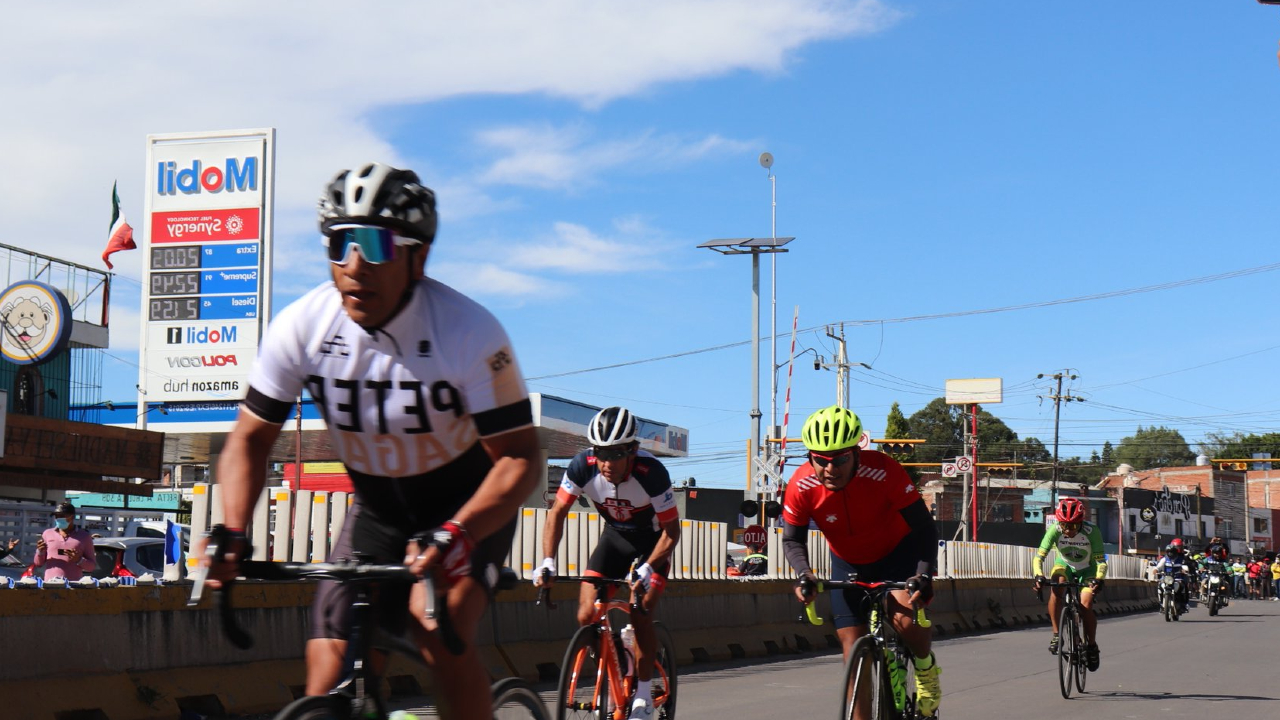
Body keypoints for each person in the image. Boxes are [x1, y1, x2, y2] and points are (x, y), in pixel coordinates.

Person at [201, 162, 541, 720]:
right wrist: (233, 529)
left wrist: (457, 533)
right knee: (328, 672)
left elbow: (520, 460)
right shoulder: (301, 327)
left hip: (467, 506)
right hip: (379, 513)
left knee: (436, 630)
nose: (355, 265)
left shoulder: (470, 332)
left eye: (376, 245)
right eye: (339, 244)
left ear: (418, 256)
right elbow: (249, 440)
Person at [781, 405, 941, 718]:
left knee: (905, 620)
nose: (830, 468)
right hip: (848, 561)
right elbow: (792, 539)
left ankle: (925, 668)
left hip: (898, 553)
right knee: (851, 651)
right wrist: (805, 575)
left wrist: (923, 575)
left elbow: (924, 528)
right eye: (821, 460)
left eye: (840, 459)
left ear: (856, 453)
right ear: (809, 458)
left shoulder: (884, 471)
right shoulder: (801, 486)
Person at [536, 406, 681, 720]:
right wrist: (547, 561)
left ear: (632, 451)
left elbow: (672, 532)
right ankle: (616, 658)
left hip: (653, 543)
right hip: (615, 538)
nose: (605, 463)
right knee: (587, 613)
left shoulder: (651, 473)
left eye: (614, 455)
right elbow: (556, 513)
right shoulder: (582, 466)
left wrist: (646, 567)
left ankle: (642, 693)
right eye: (600, 453)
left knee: (640, 611)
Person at [1032, 497, 1106, 672]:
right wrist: (1038, 575)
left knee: (1085, 604)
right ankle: (1057, 635)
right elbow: (1039, 557)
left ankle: (1092, 646)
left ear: (1080, 522)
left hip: (1088, 569)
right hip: (1064, 565)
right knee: (1057, 585)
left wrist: (1100, 578)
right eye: (1064, 525)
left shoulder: (1092, 531)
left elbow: (1101, 561)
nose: (1067, 530)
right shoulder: (1055, 529)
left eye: (1072, 526)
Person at [32, 502, 96, 581]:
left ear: (72, 517)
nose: (58, 519)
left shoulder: (84, 536)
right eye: (56, 516)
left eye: (62, 516)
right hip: (50, 585)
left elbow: (91, 567)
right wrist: (40, 551)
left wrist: (79, 560)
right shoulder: (47, 534)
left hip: (72, 587)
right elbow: (38, 563)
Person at [1153, 542, 1191, 613]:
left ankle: (1183, 604)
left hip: (1177, 578)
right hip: (1167, 578)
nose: (1170, 554)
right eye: (1169, 552)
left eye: (1172, 552)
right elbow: (1159, 566)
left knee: (1183, 587)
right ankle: (1161, 604)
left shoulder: (1181, 559)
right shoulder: (1164, 559)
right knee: (1160, 586)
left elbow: (1184, 566)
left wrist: (1184, 570)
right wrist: (1155, 570)